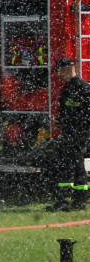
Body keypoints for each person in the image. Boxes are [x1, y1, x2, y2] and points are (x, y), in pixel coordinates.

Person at [46, 57, 90, 212]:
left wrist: (78, 128)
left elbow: (86, 113)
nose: (57, 74)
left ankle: (77, 201)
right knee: (67, 164)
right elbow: (65, 111)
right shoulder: (68, 87)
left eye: (58, 70)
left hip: (79, 134)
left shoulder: (83, 88)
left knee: (74, 165)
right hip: (70, 132)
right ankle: (67, 200)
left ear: (66, 69)